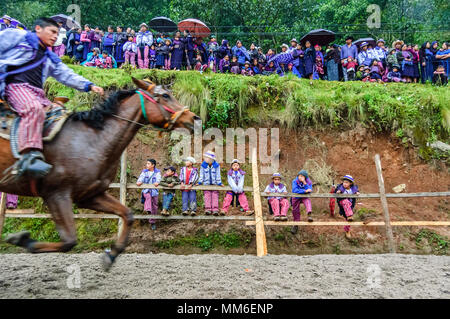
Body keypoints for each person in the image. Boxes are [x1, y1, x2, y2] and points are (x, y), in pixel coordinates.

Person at [0, 17, 104, 178]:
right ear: (38, 29)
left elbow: (66, 74)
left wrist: (88, 85)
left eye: (57, 33)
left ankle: (54, 160)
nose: (55, 36)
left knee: (58, 115)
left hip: (37, 93)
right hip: (15, 87)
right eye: (52, 31)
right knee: (33, 109)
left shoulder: (50, 57)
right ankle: (28, 156)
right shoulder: (18, 37)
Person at [136, 159, 161, 230]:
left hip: (154, 191)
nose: (147, 165)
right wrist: (139, 181)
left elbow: (159, 179)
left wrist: (157, 182)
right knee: (148, 197)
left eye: (148, 163)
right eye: (147, 163)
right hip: (146, 190)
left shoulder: (157, 172)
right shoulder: (144, 172)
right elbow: (141, 178)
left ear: (153, 165)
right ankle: (147, 209)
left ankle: (152, 222)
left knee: (155, 206)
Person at [334, 175, 360, 239]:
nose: (344, 184)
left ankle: (347, 230)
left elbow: (356, 190)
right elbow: (337, 190)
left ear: (350, 183)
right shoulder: (341, 187)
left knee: (348, 220)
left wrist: (357, 192)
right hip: (342, 203)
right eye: (344, 182)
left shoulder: (353, 189)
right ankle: (349, 215)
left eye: (346, 182)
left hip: (350, 205)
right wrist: (338, 191)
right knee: (345, 201)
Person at [198, 151, 222, 216]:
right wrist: (200, 182)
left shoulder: (216, 165)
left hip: (215, 183)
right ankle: (208, 209)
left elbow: (218, 174)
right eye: (205, 157)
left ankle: (215, 209)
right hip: (206, 183)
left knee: (215, 196)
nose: (205, 159)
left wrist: (219, 182)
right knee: (207, 196)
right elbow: (202, 174)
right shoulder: (203, 165)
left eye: (207, 158)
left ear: (211, 159)